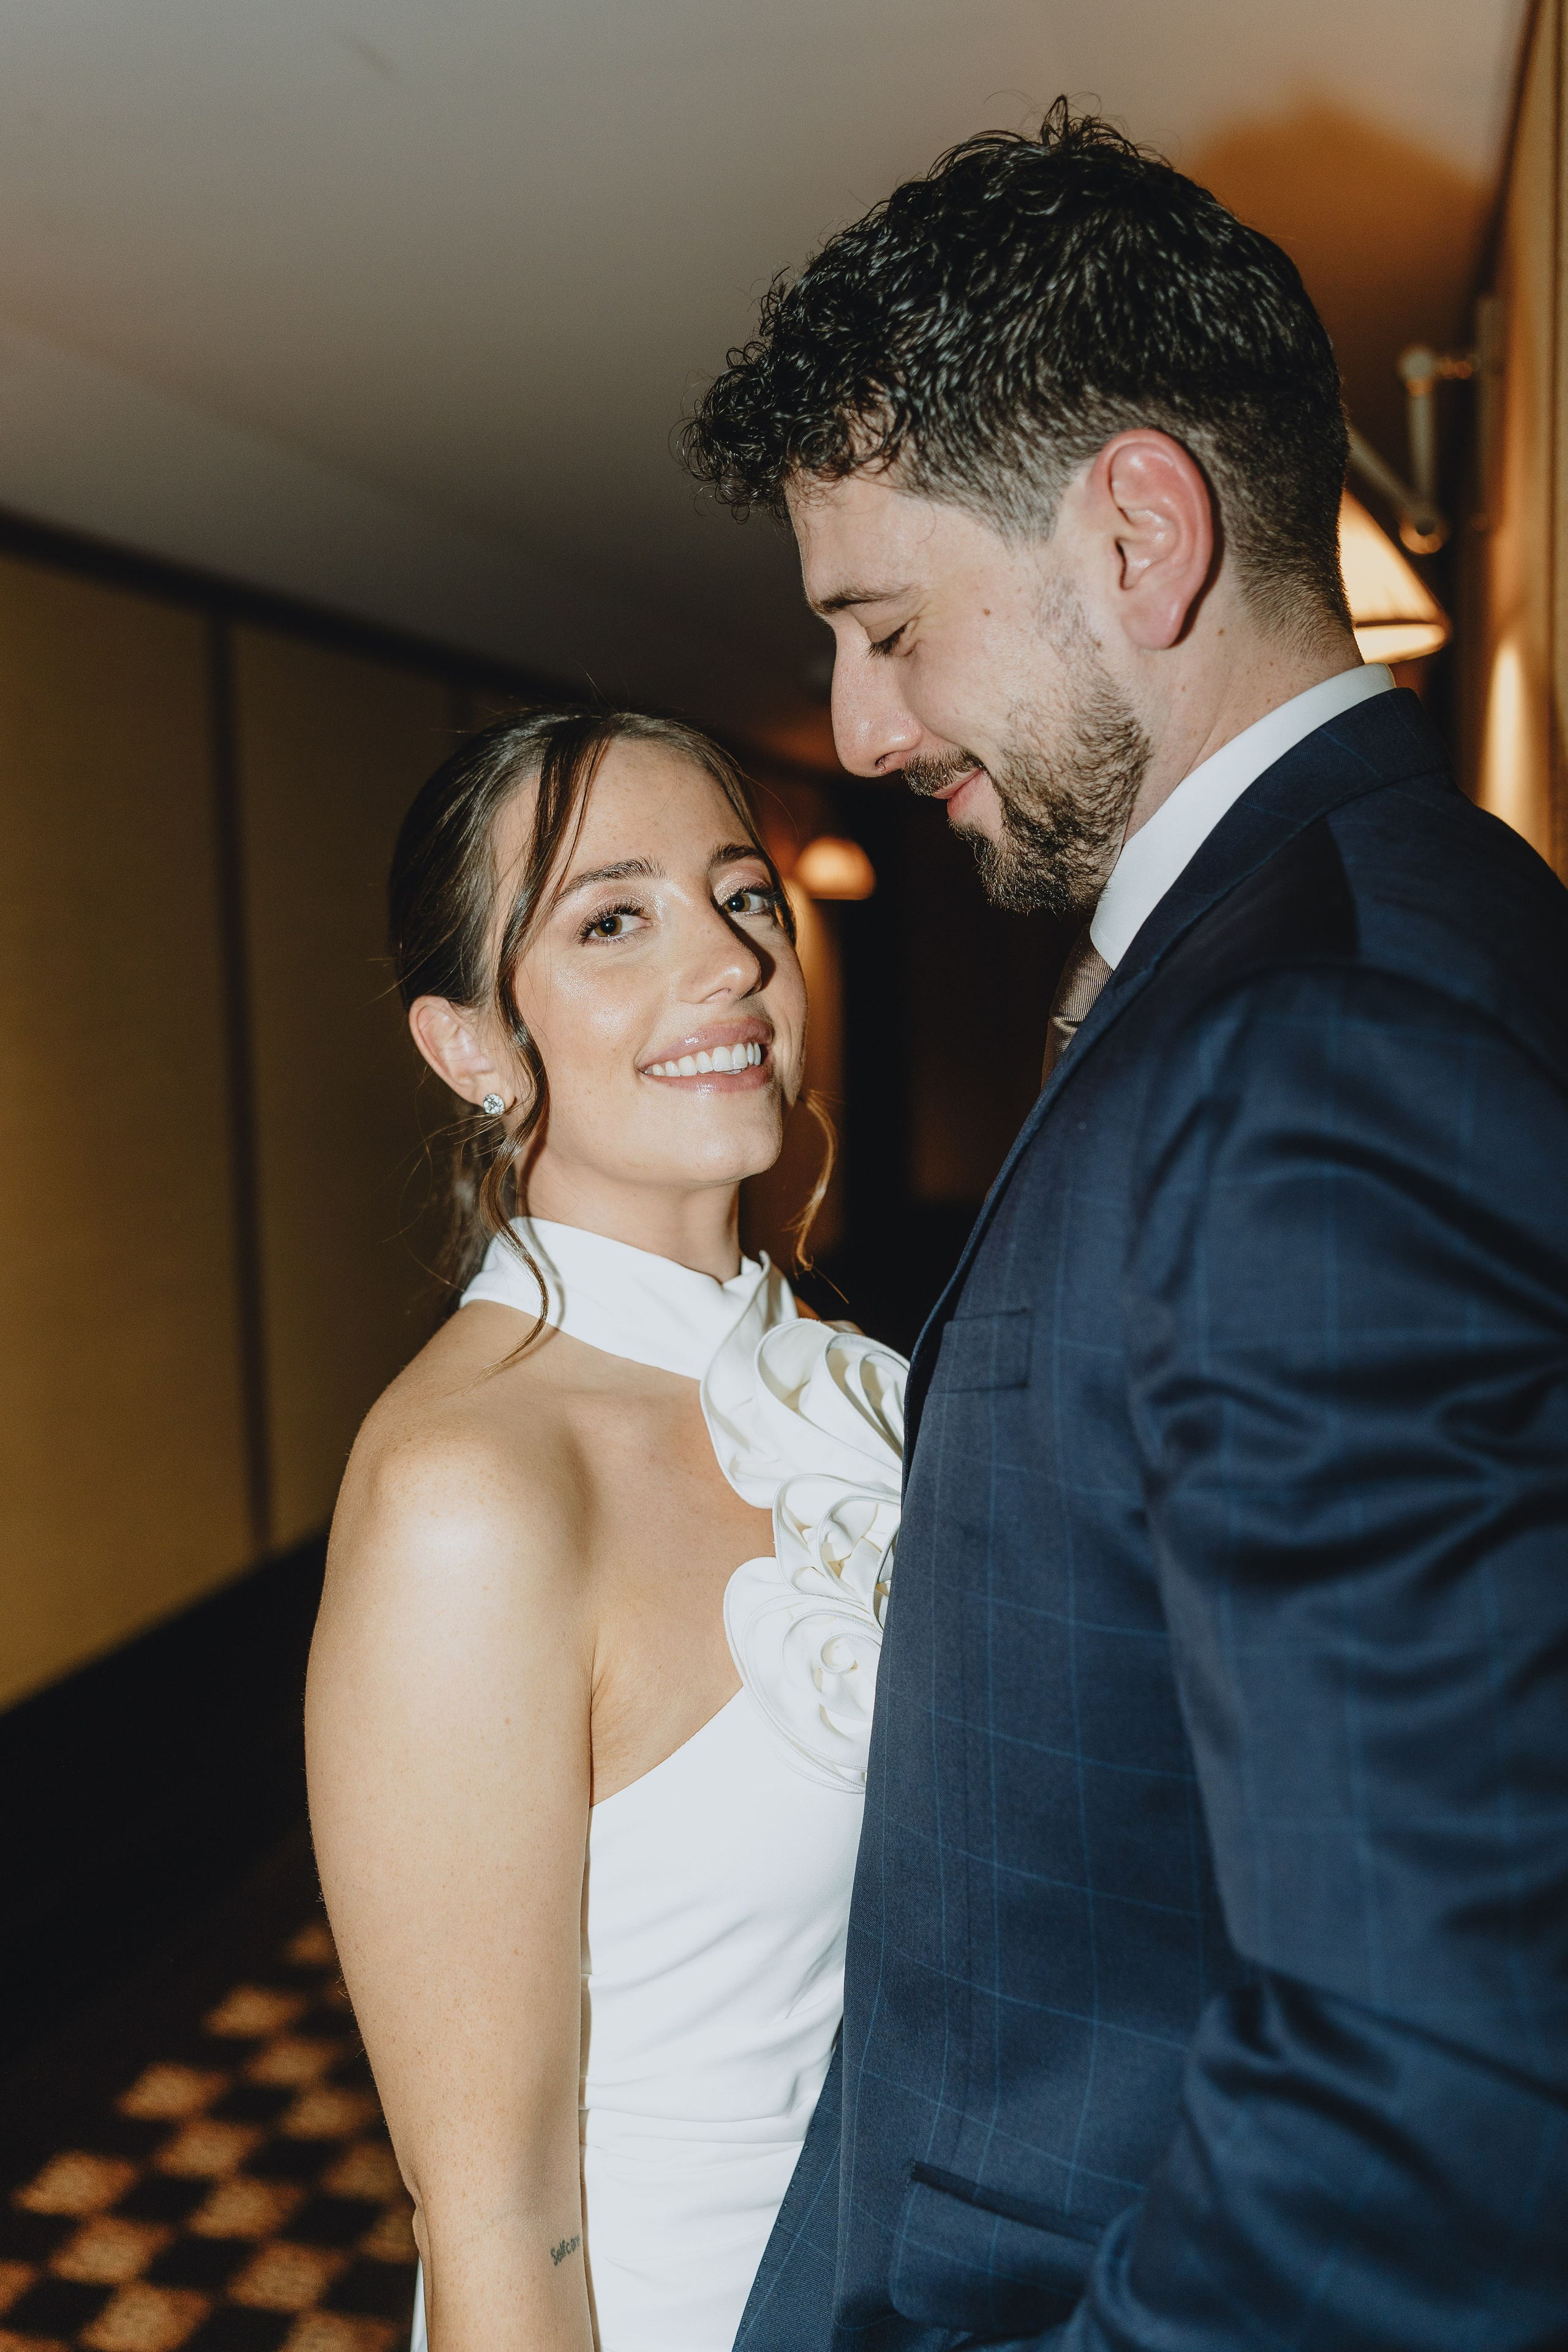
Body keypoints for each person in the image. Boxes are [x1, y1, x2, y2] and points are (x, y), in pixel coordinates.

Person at [684, 103, 1568, 2349]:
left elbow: (1424, 2092)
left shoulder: (1321, 1039)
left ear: (1142, 531)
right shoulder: (1398, 923)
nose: (860, 726)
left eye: (885, 624)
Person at [304, 707, 905, 2352]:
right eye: (613, 918)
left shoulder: (867, 1391)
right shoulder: (471, 1493)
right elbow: (492, 2207)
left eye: (744, 897)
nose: (726, 962)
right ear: (476, 1048)